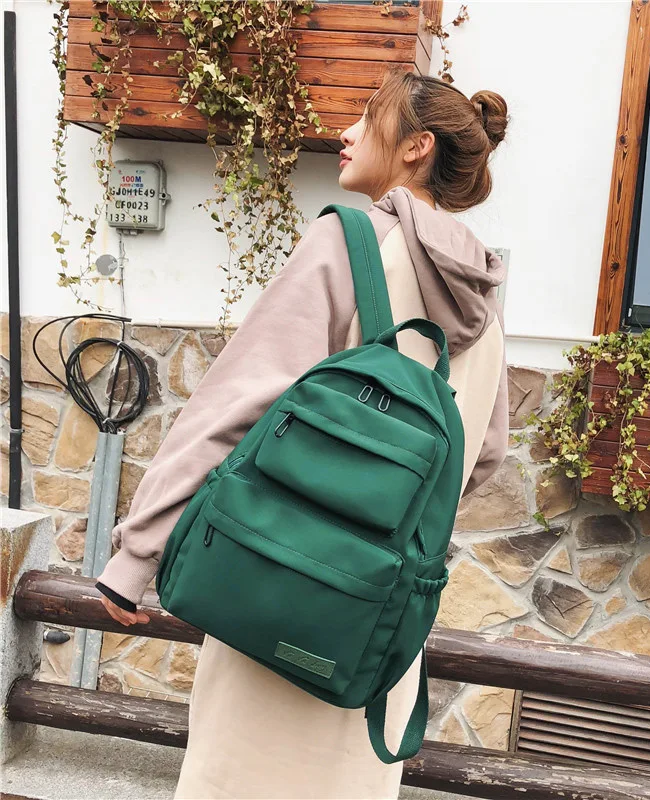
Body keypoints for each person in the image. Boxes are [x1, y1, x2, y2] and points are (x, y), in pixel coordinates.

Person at [95, 66, 510, 799]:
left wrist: (137, 555)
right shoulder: (484, 290)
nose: (345, 132)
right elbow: (483, 458)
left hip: (279, 591)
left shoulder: (348, 242)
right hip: (377, 631)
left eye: (367, 118)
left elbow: (237, 404)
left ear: (416, 146)